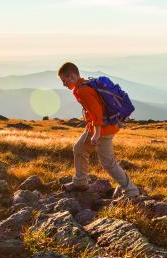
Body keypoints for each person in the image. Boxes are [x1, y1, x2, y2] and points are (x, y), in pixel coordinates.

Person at [57, 62, 140, 199]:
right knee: (80, 149)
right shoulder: (83, 85)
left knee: (108, 163)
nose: (63, 84)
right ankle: (80, 182)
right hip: (98, 127)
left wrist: (96, 133)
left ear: (72, 76)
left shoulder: (83, 90)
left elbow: (96, 111)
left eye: (64, 80)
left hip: (103, 130)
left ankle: (131, 191)